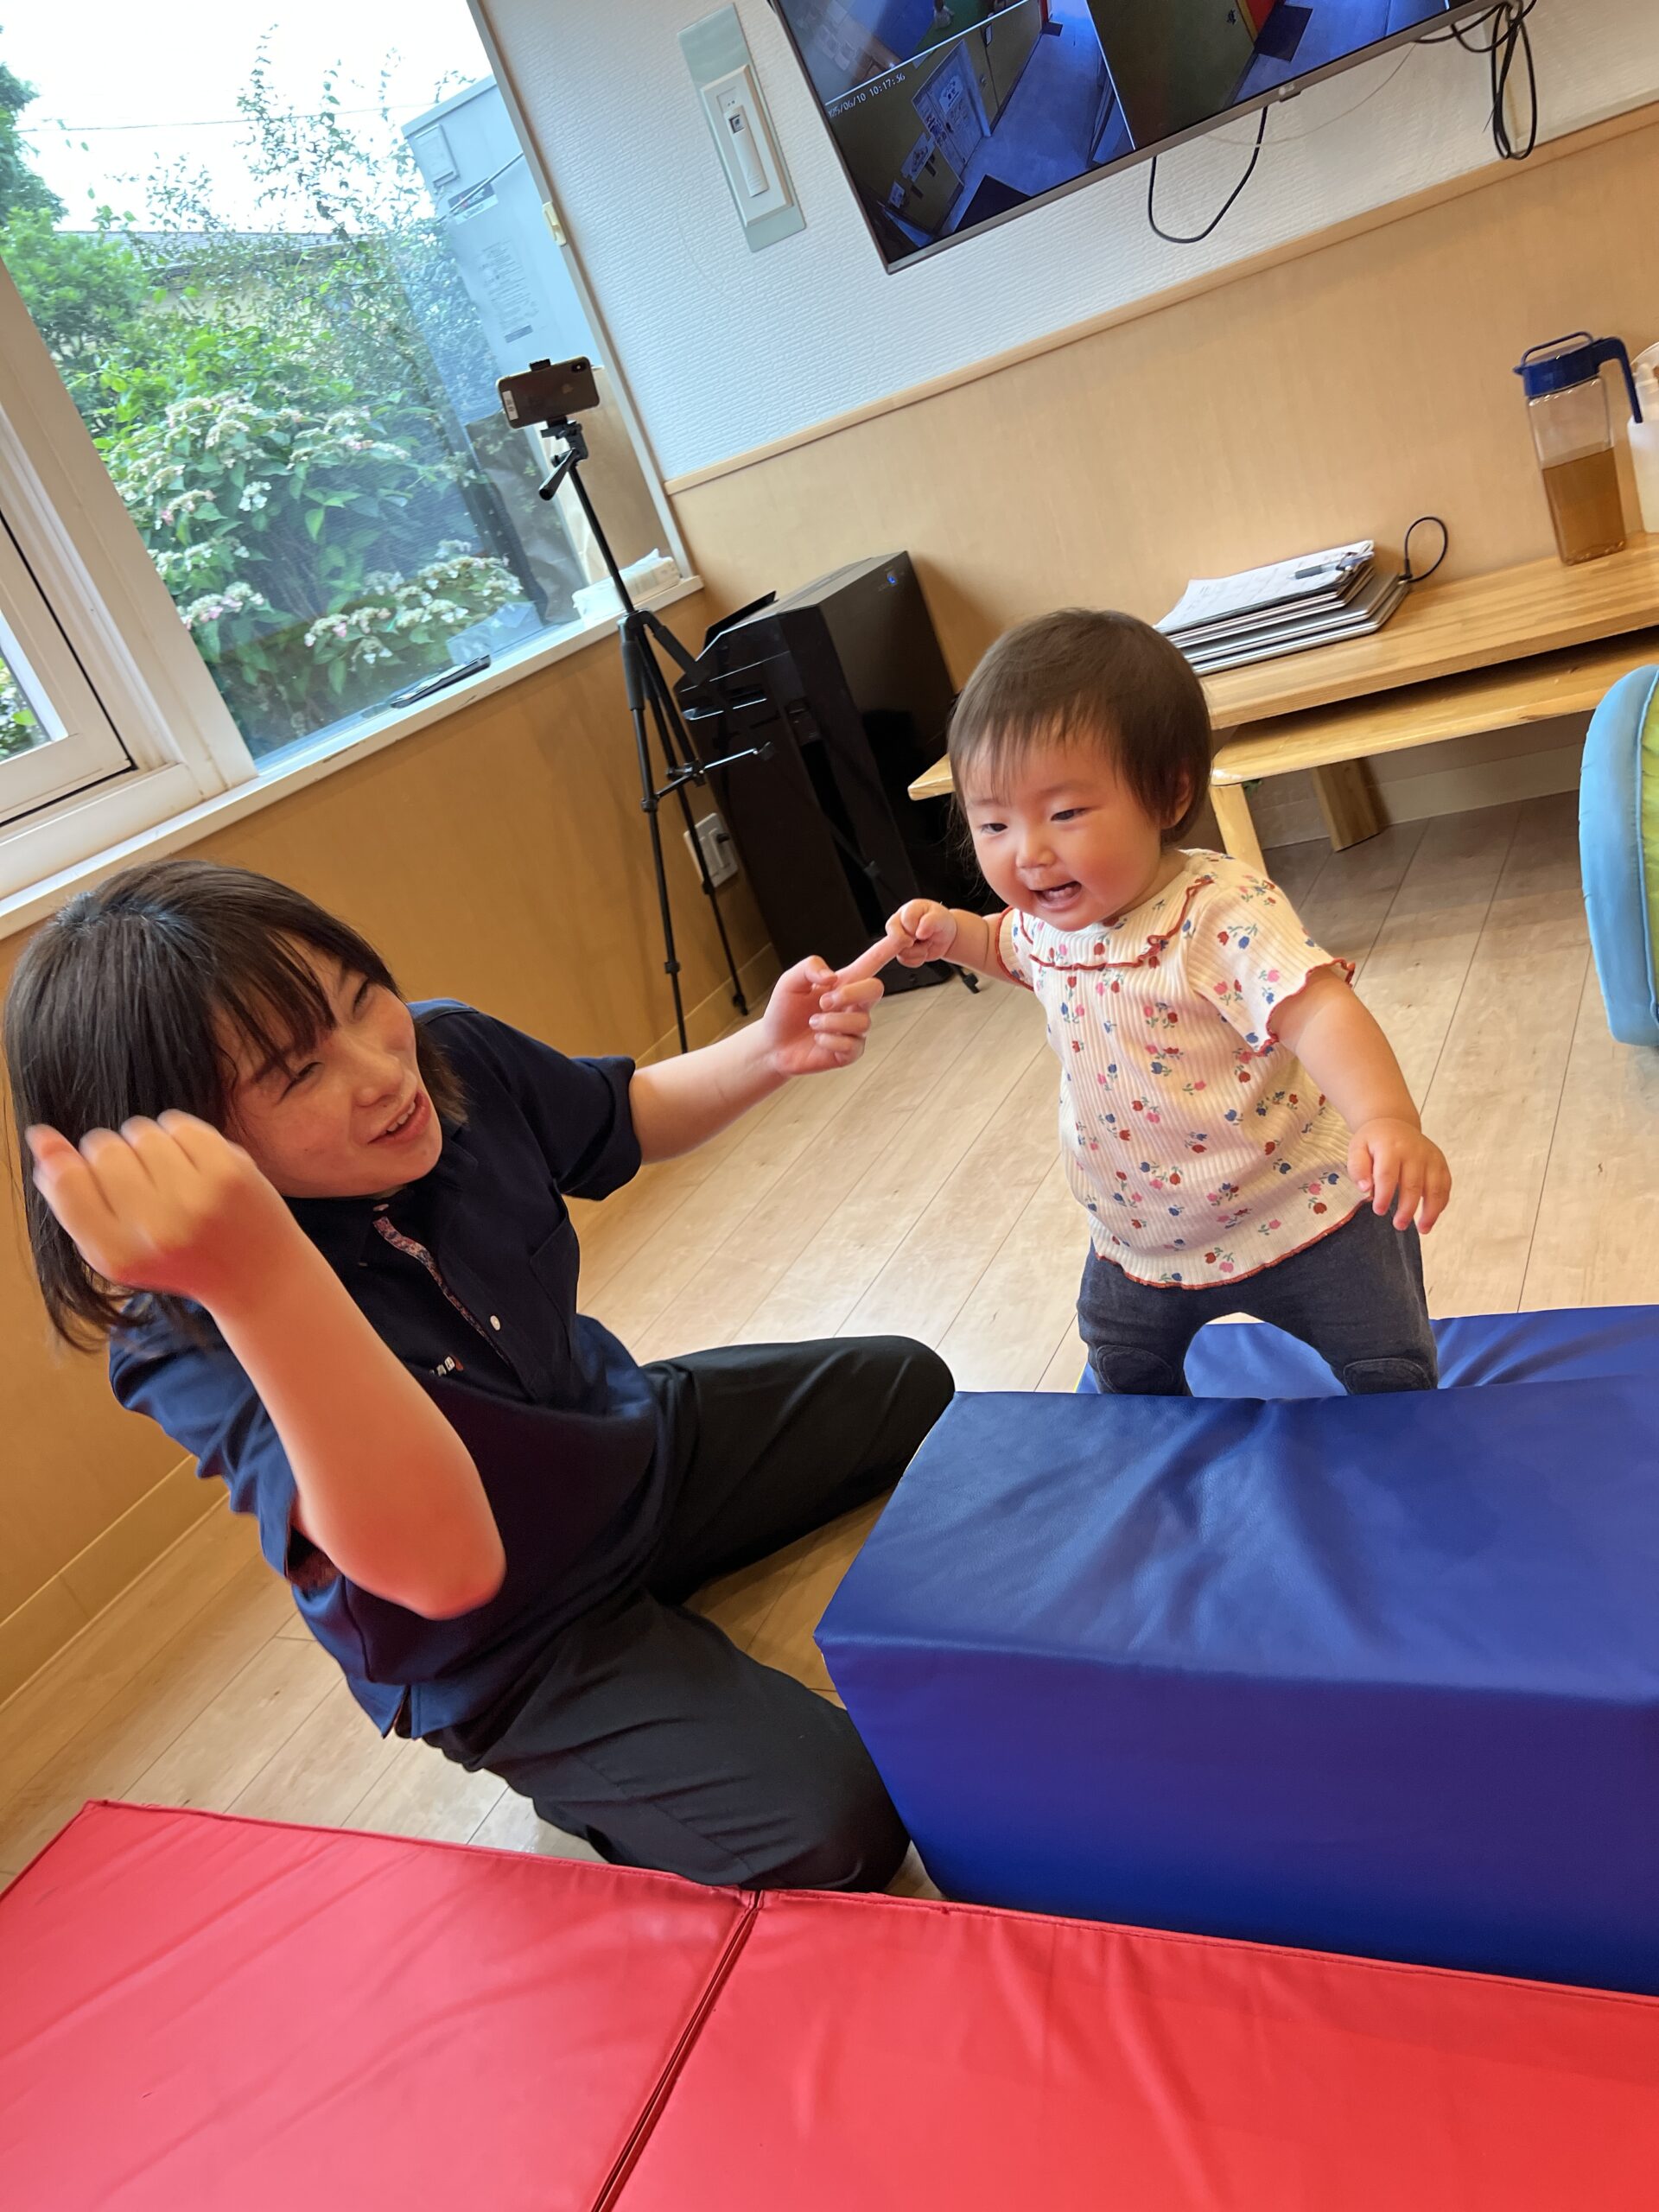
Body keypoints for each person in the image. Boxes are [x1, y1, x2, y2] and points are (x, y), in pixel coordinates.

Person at [8, 858, 952, 1889]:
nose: (381, 1069)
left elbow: (621, 1115)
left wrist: (765, 1051)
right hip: (508, 1642)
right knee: (841, 1828)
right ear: (181, 1144)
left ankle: (655, 1621)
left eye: (361, 1002)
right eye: (297, 1073)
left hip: (629, 1451)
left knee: (908, 1386)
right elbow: (445, 1570)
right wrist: (264, 1273)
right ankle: (585, 1757)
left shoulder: (445, 1052)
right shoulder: (184, 1329)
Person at [884, 607, 1452, 1397]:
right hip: (1140, 1236)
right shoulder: (1048, 924)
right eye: (994, 822)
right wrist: (953, 934)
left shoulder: (1217, 912)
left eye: (1065, 813)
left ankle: (1405, 1424)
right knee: (1127, 1373)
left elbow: (1319, 1009)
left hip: (1298, 1209)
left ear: (1168, 790)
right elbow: (1006, 948)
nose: (1030, 852)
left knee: (1385, 1364)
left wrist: (1386, 1118)